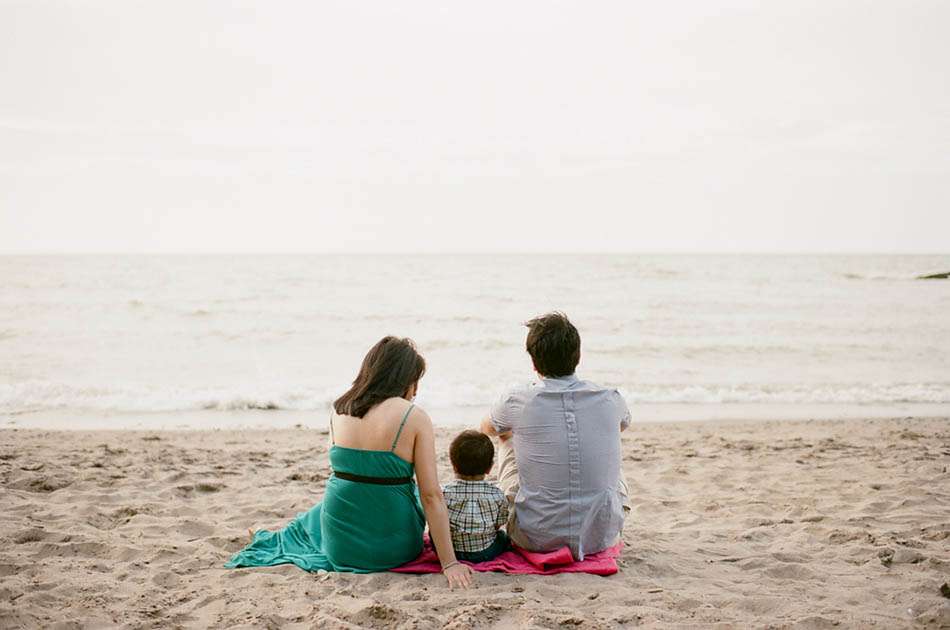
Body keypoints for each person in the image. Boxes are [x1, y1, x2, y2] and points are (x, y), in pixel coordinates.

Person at [226, 336, 473, 588]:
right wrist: (450, 563)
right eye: (415, 381)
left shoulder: (340, 408)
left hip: (339, 546)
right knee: (420, 497)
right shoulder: (414, 416)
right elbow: (431, 495)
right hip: (393, 550)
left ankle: (273, 536)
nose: (416, 390)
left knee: (323, 509)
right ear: (404, 378)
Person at [480, 312, 630, 560]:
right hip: (600, 536)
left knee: (506, 437)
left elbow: (486, 429)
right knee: (607, 442)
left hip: (535, 537)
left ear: (533, 362)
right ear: (578, 356)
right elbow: (622, 426)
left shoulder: (517, 400)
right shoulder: (610, 399)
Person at [441, 430, 510, 563]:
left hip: (450, 551)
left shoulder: (443, 493)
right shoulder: (497, 494)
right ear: (489, 468)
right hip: (486, 552)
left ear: (454, 466)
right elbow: (499, 523)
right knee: (502, 537)